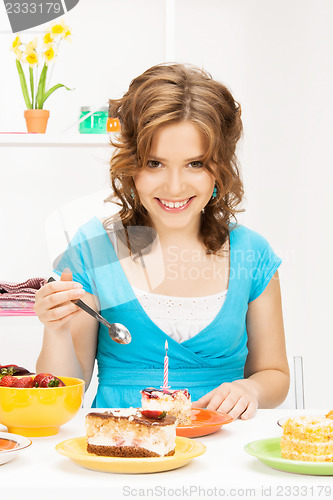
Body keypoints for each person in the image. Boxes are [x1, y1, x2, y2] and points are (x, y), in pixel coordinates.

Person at [35, 63, 289, 420]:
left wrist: (251, 388)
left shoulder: (253, 254)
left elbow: (275, 375)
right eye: (155, 163)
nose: (173, 186)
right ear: (131, 166)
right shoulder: (94, 249)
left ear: (220, 168)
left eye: (195, 164)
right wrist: (57, 331)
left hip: (221, 453)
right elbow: (68, 390)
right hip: (119, 452)